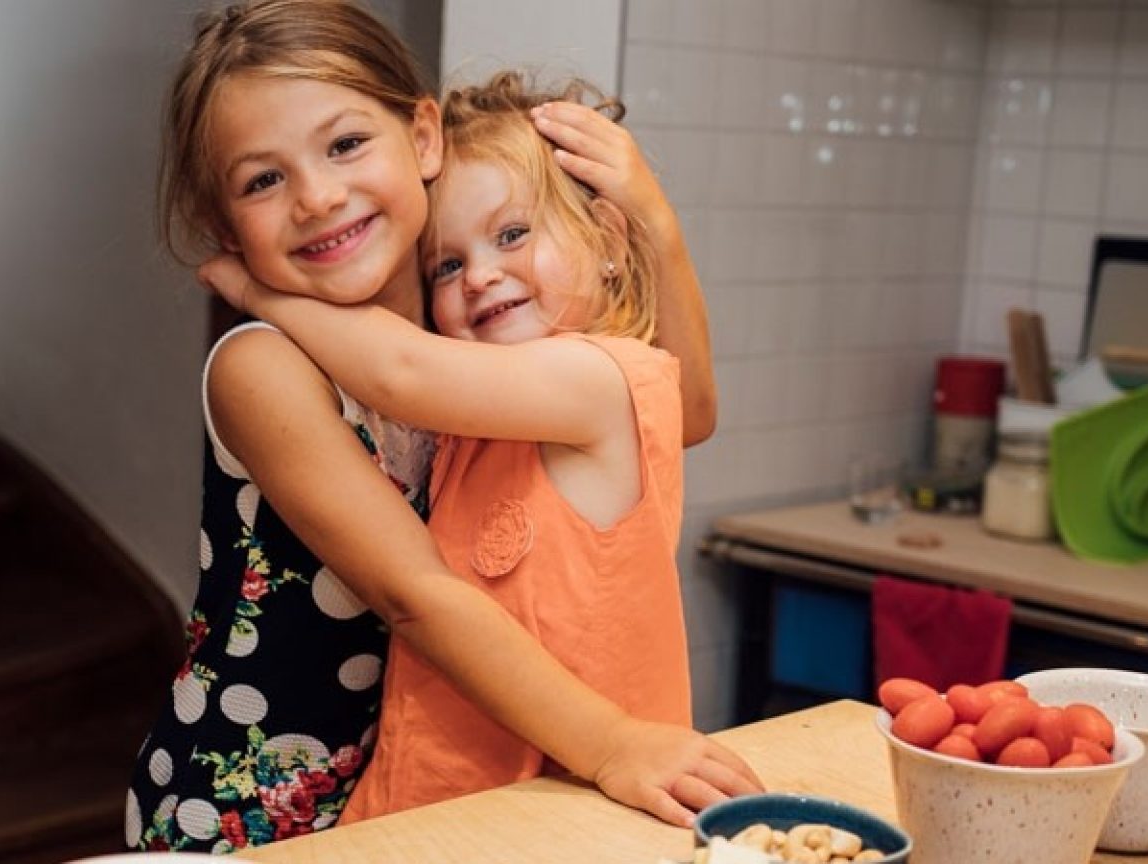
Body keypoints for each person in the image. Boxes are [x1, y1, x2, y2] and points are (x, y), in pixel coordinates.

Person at [127, 0, 755, 853]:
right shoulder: (263, 369)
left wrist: (655, 225)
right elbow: (414, 594)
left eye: (345, 143)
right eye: (262, 180)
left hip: (431, 790)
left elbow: (678, 413)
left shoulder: (462, 332)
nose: (317, 196)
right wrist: (610, 741)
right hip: (257, 805)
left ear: (421, 139)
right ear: (225, 226)